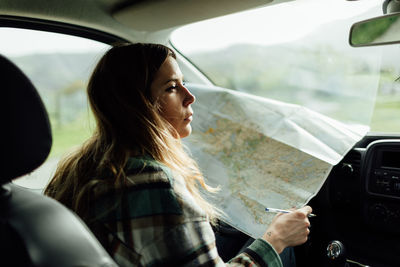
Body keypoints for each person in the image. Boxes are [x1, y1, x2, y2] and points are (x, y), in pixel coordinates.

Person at [45, 43, 312, 267]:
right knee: (279, 248)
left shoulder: (79, 168)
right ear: (136, 105)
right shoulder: (151, 182)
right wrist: (277, 238)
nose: (190, 97)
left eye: (184, 83)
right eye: (171, 87)